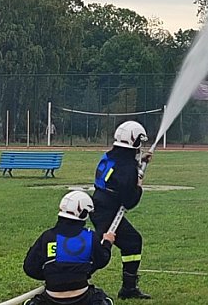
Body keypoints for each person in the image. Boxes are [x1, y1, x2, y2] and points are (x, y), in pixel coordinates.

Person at [91, 121, 153, 300]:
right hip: (108, 212)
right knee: (101, 250)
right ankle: (71, 277)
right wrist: (139, 187)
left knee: (132, 242)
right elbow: (130, 201)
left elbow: (118, 174)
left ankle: (129, 288)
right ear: (134, 142)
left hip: (100, 206)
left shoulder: (112, 156)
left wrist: (140, 163)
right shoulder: (128, 168)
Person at [23, 191, 116, 305]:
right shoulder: (90, 236)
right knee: (106, 301)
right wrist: (107, 242)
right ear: (83, 213)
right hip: (83, 297)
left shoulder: (47, 236)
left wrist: (51, 275)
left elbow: (29, 267)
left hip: (51, 298)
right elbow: (102, 260)